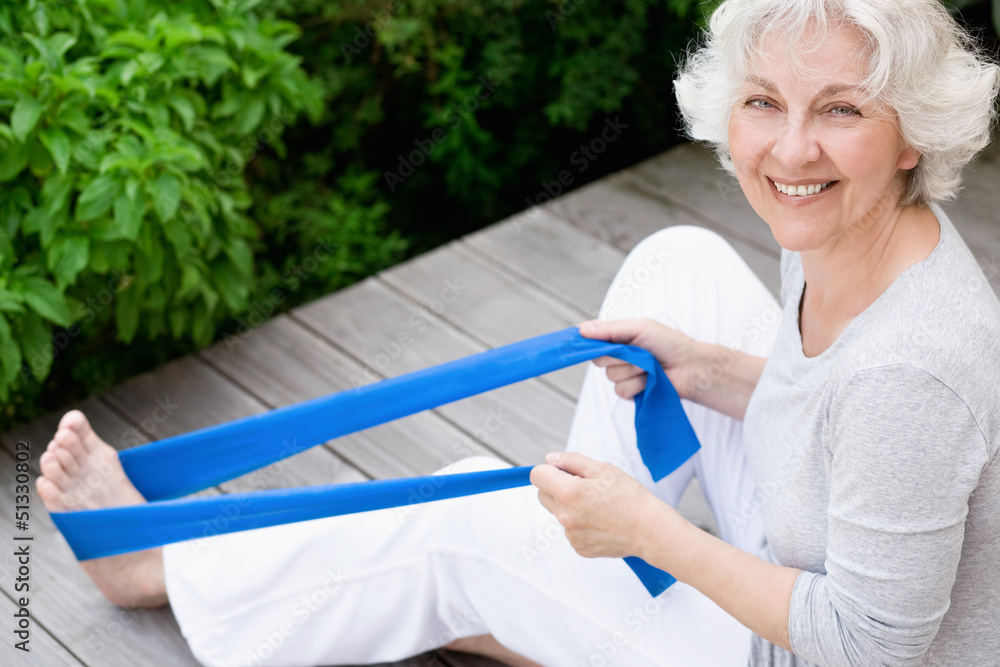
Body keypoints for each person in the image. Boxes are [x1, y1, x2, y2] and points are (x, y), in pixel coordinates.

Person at [37, 0, 1000, 664]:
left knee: (461, 515)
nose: (791, 149)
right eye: (764, 102)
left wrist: (652, 533)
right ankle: (564, 584)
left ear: (911, 131)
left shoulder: (914, 368)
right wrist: (705, 368)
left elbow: (872, 643)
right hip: (811, 541)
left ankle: (158, 568)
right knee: (681, 264)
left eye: (840, 109)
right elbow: (826, 406)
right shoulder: (844, 221)